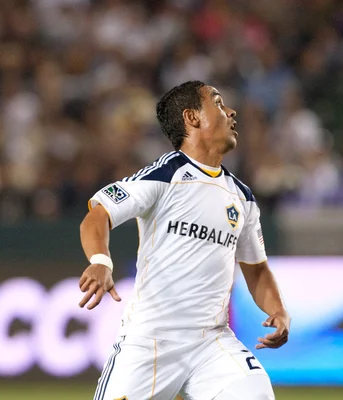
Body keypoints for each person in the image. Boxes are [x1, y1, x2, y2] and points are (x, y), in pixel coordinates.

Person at [78, 81, 290, 400]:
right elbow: (98, 214)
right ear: (192, 118)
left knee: (257, 394)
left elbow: (257, 269)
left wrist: (278, 310)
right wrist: (100, 260)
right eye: (218, 103)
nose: (231, 112)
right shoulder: (164, 175)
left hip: (211, 341)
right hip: (151, 341)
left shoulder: (242, 198)